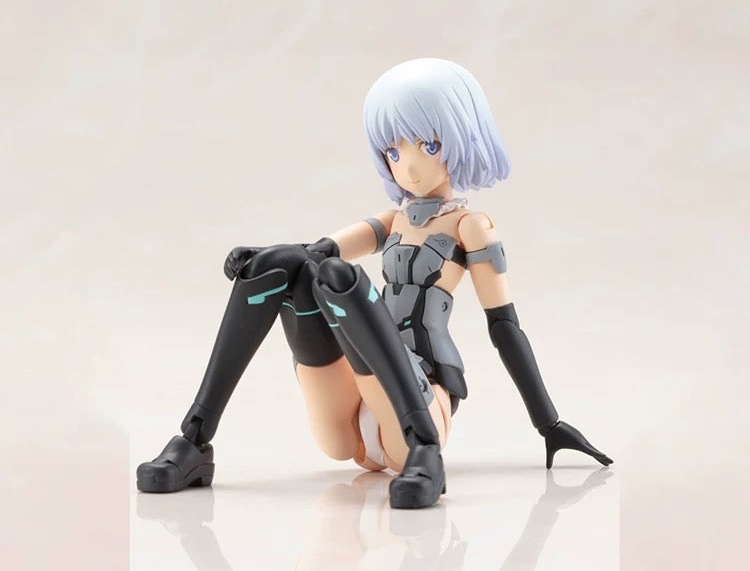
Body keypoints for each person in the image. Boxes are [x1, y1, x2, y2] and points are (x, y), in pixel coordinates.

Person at [137, 58, 612, 509]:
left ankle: (427, 456)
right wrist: (259, 258)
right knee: (284, 263)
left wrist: (548, 422)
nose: (410, 167)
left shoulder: (471, 227)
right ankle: (194, 439)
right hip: (352, 416)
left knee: (339, 278)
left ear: (462, 137)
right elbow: (316, 251)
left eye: (428, 145)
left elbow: (504, 325)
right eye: (394, 151)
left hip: (419, 407)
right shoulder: (393, 220)